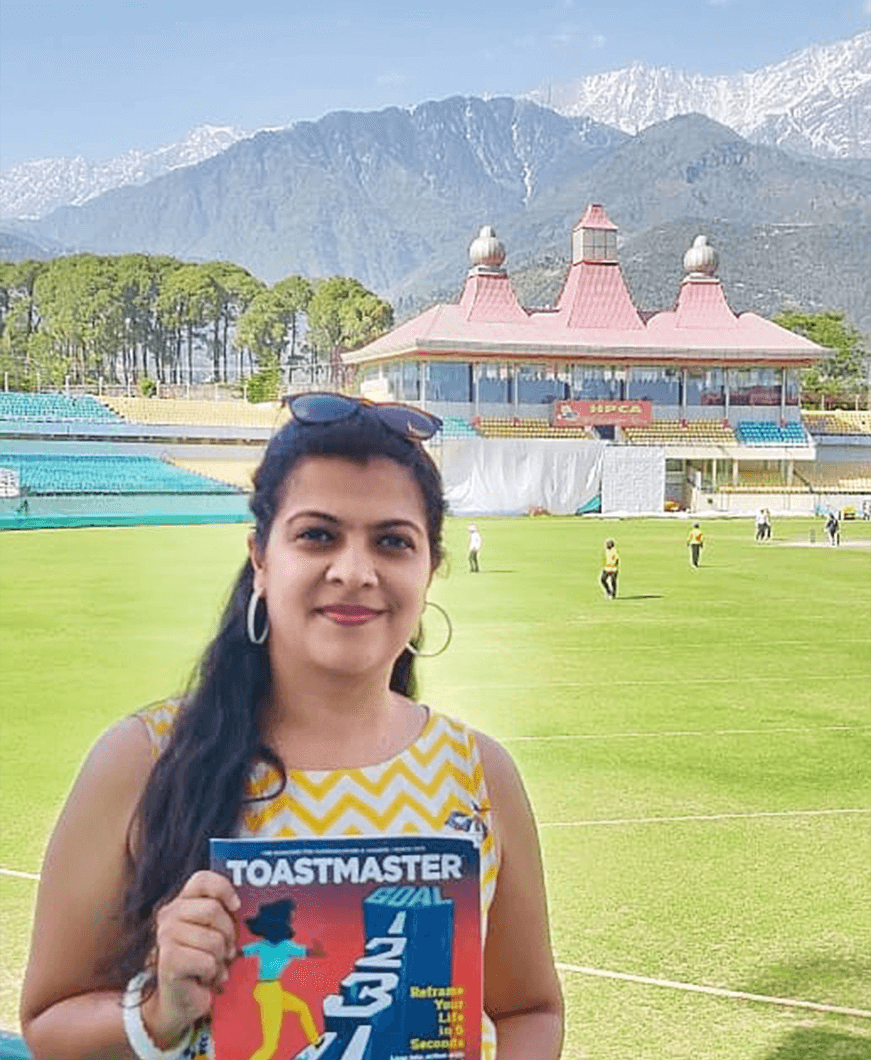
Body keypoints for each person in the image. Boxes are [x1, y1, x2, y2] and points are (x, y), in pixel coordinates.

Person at [20, 392, 563, 1060]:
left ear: (431, 569)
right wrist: (161, 1009)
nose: (354, 571)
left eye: (393, 542)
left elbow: (527, 1011)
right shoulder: (142, 759)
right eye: (317, 535)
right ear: (261, 557)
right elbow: (48, 1024)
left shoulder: (478, 772)